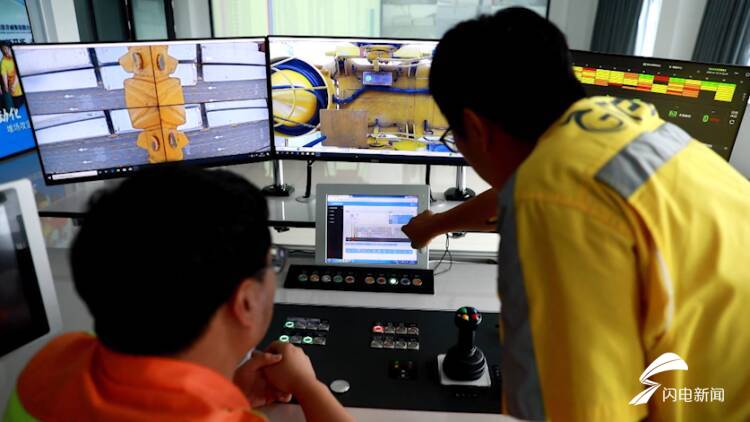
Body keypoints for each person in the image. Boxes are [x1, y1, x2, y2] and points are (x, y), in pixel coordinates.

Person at [404, 7, 750, 421]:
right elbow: (529, 184)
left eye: (452, 137)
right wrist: (434, 225)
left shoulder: (550, 203)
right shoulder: (626, 122)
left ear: (475, 128)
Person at [6, 167, 353, 422]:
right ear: (246, 302)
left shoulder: (53, 362)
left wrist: (228, 390)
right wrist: (309, 386)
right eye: (272, 262)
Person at [1, 45, 24, 110]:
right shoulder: (3, 62)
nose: (5, 51)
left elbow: (18, 72)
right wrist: (6, 86)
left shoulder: (18, 56)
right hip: (15, 91)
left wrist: (13, 85)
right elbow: (4, 75)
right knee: (19, 108)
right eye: (3, 50)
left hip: (24, 87)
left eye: (6, 49)